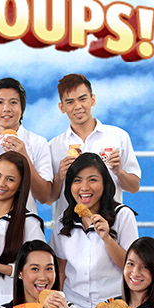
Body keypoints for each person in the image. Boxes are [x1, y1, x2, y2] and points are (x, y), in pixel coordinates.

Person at [47, 73, 141, 228]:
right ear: (62, 107)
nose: (77, 106)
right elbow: (48, 199)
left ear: (93, 100)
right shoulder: (54, 146)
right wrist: (59, 177)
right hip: (70, 229)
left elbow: (134, 187)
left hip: (111, 225)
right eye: (70, 102)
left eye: (82, 99)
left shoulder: (118, 137)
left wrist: (119, 172)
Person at [53, 153, 139, 308]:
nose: (84, 187)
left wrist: (107, 239)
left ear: (105, 183)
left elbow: (132, 267)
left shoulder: (122, 215)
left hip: (112, 307)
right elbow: (60, 270)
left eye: (92, 180)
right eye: (77, 180)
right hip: (73, 307)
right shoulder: (63, 221)